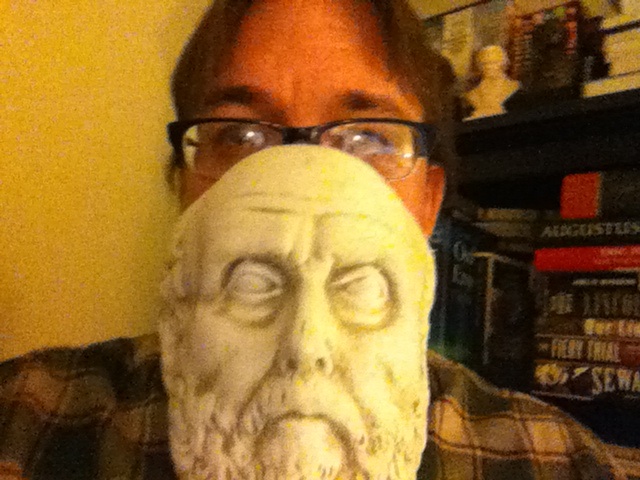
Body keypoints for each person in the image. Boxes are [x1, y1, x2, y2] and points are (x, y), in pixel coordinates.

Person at [0, 0, 627, 479]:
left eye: (370, 137)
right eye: (240, 135)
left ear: (428, 205)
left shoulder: (553, 463)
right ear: (185, 193)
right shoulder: (28, 422)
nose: (308, 174)